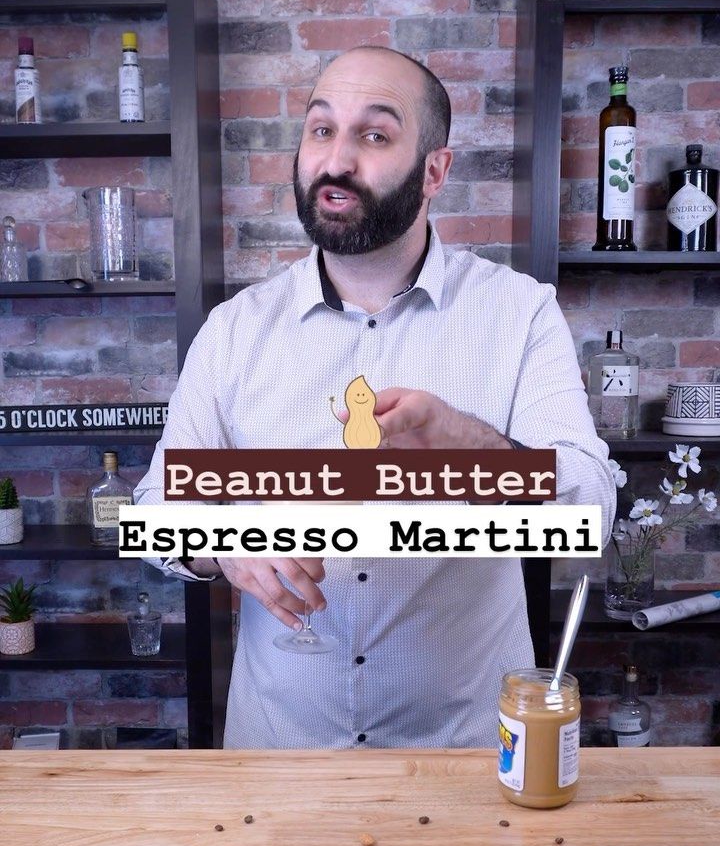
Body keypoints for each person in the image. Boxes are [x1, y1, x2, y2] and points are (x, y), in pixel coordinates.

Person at [135, 44, 616, 749]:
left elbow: (592, 513)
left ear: (435, 170)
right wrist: (228, 540)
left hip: (467, 755)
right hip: (281, 758)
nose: (336, 161)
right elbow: (154, 509)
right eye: (321, 129)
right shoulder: (234, 330)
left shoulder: (520, 313)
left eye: (375, 135)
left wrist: (475, 450)